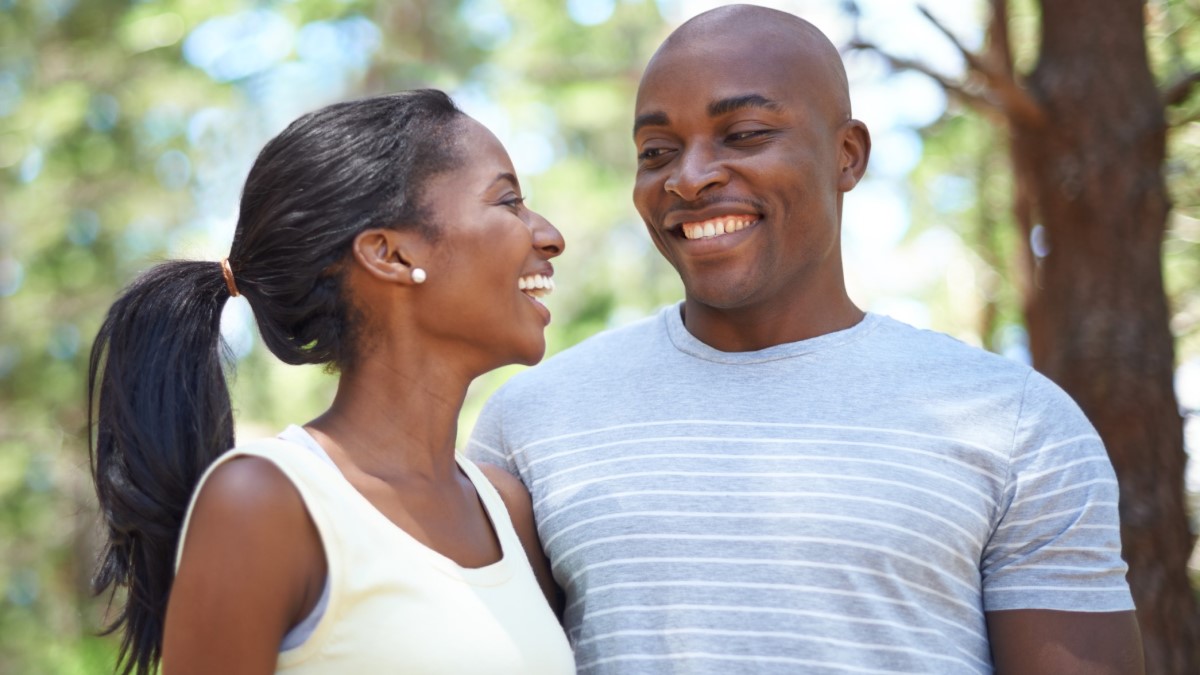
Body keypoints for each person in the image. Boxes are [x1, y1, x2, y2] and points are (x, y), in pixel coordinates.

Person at [467, 5, 1143, 674]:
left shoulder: (1017, 422)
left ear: (847, 156)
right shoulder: (530, 423)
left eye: (745, 134)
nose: (689, 177)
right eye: (656, 152)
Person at [88, 90, 575, 674]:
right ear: (389, 255)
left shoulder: (509, 512)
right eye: (509, 201)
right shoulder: (266, 503)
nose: (548, 236)